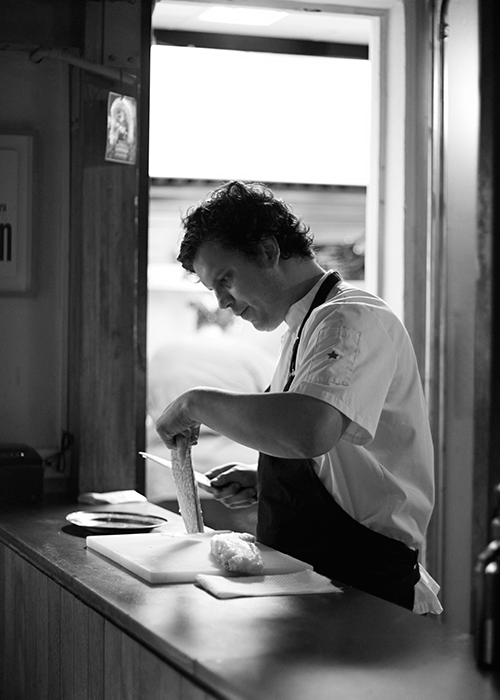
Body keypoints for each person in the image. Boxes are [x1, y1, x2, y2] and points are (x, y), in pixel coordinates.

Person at [156, 180, 442, 614]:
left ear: (268, 251)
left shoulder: (348, 317)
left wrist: (194, 403)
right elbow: (333, 453)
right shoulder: (302, 329)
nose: (222, 302)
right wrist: (267, 479)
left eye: (225, 279)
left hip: (365, 589)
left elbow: (310, 430)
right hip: (318, 581)